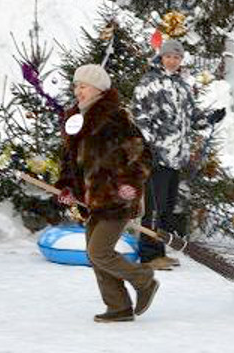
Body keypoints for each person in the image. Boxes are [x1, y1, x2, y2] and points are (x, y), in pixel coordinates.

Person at [55, 63, 159, 322]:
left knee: (99, 251)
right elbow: (69, 161)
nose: (78, 91)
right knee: (96, 253)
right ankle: (118, 306)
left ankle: (144, 280)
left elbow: (142, 155)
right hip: (92, 200)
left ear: (98, 89)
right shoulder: (75, 119)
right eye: (76, 85)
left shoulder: (116, 118)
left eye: (84, 86)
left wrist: (130, 185)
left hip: (117, 199)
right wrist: (67, 187)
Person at [132, 39, 197, 271]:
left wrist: (207, 120)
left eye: (177, 57)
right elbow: (140, 116)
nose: (173, 60)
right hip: (157, 155)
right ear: (162, 57)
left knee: (167, 207)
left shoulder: (182, 85)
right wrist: (150, 146)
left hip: (175, 157)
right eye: (169, 56)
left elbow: (190, 116)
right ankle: (149, 255)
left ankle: (159, 250)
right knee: (155, 207)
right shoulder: (150, 82)